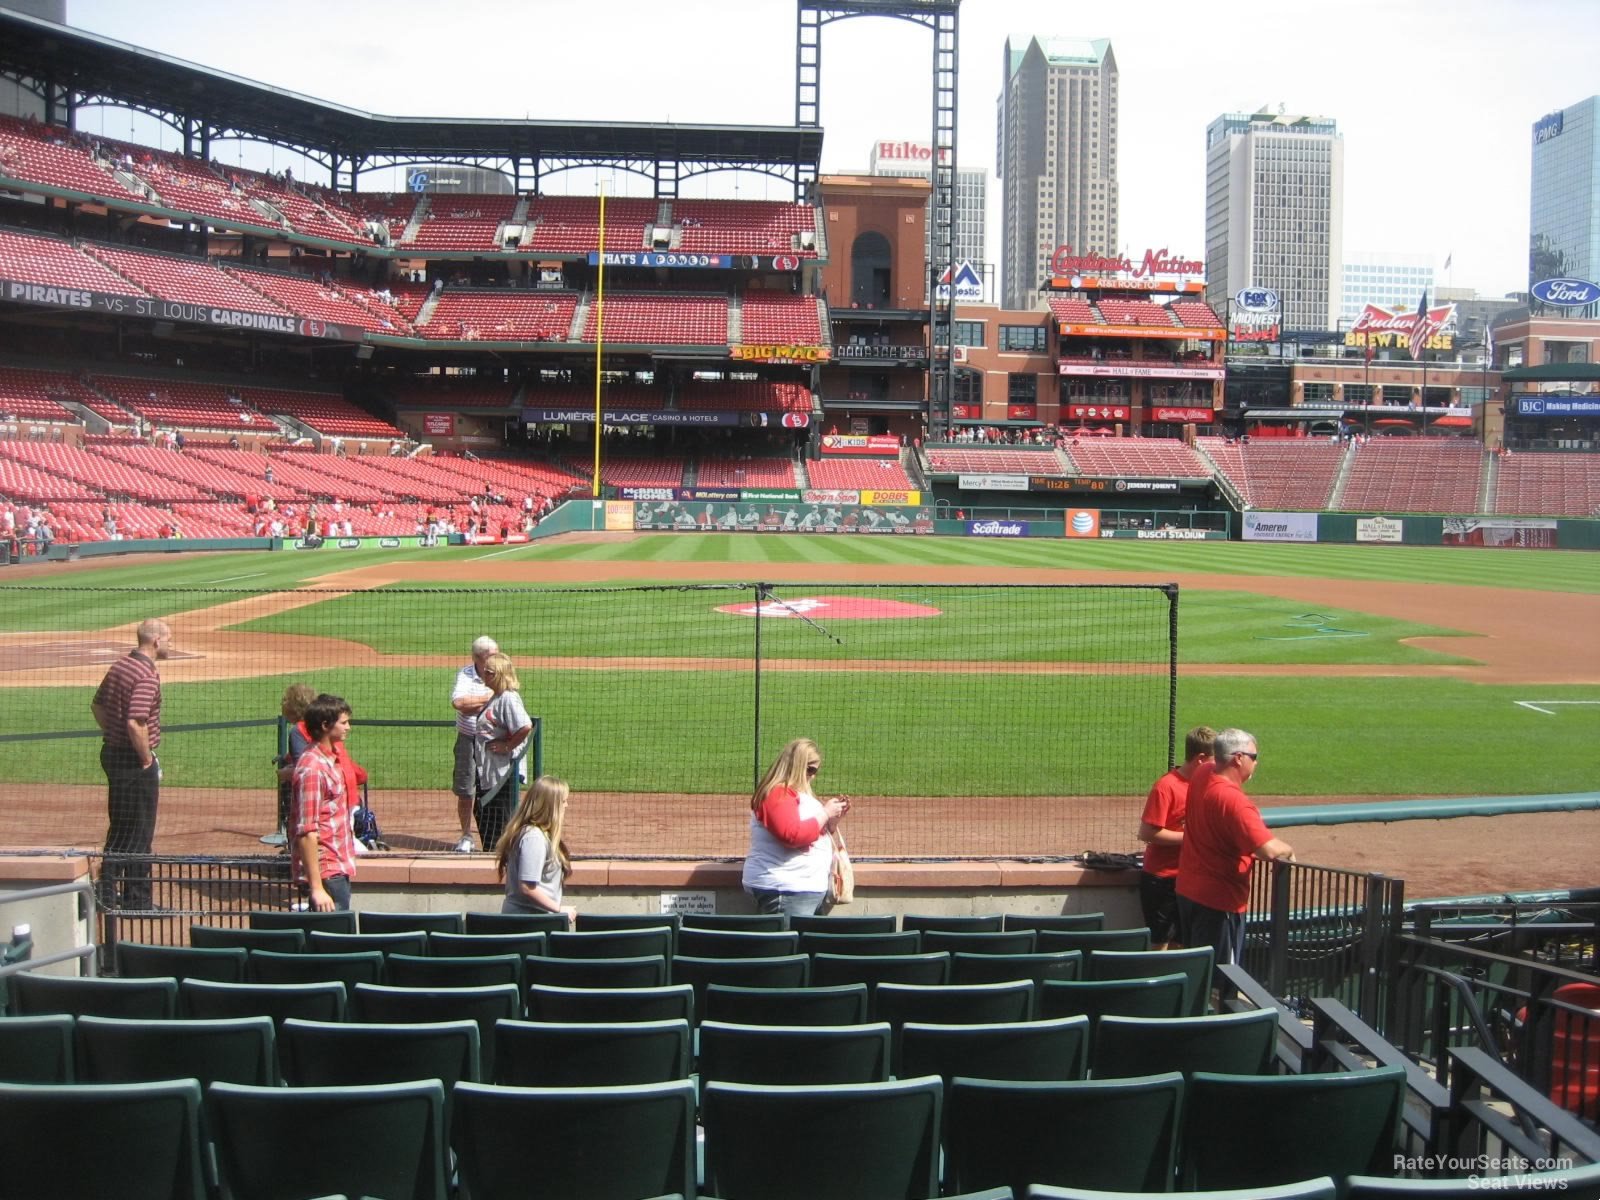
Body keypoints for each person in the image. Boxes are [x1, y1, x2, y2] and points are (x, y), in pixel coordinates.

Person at [1176, 728, 1295, 977]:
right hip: (1219, 902)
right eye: (1254, 756)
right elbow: (1267, 849)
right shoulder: (1234, 801)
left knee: (1195, 971)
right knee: (1221, 982)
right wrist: (1287, 848)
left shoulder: (1201, 773)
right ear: (1238, 758)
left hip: (1188, 890)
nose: (1256, 762)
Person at [90, 619, 172, 910]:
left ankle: (107, 894)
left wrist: (111, 732)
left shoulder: (120, 666)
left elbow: (97, 705)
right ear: (157, 642)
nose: (169, 645)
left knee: (121, 826)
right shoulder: (147, 674)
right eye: (168, 640)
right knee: (140, 831)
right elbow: (137, 722)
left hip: (112, 753)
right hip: (133, 760)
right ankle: (137, 900)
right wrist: (147, 760)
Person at [742, 738, 849, 918]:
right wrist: (824, 812)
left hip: (801, 888)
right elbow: (791, 835)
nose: (813, 776)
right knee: (786, 945)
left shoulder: (794, 794)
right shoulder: (777, 794)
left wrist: (831, 821)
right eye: (811, 770)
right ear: (798, 766)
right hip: (785, 889)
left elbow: (810, 832)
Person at [1136, 725, 1215, 949]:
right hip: (1162, 879)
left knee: (1183, 943)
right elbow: (1148, 833)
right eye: (1214, 760)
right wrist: (1192, 838)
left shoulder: (1209, 785)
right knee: (1160, 944)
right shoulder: (1166, 787)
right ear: (1200, 759)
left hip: (1191, 877)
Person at [291, 694, 356, 912]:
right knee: (332, 941)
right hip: (326, 872)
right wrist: (317, 888)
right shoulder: (313, 768)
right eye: (344, 722)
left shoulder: (331, 758)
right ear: (325, 725)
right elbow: (307, 832)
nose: (349, 727)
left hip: (336, 866)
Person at [496, 774, 576, 925]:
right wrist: (559, 910)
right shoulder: (534, 838)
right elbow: (527, 887)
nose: (566, 806)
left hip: (534, 920)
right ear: (551, 806)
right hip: (526, 923)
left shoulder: (537, 835)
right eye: (564, 801)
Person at [473, 652, 533, 853]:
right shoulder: (497, 697)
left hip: (503, 772)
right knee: (483, 813)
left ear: (498, 675)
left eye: (488, 672)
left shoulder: (508, 698)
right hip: (491, 771)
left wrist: (507, 746)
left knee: (498, 821)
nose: (484, 675)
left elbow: (525, 726)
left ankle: (500, 861)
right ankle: (493, 857)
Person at [450, 636, 498, 852]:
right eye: (492, 656)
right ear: (479, 658)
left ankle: (498, 835)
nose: (498, 658)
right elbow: (458, 703)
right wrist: (488, 699)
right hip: (468, 740)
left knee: (497, 787)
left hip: (494, 742)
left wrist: (473, 704)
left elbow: (506, 700)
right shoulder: (465, 674)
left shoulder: (501, 671)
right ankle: (466, 836)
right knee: (466, 789)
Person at [265, 683, 317, 848]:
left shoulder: (297, 731)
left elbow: (303, 769)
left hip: (307, 795)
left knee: (301, 831)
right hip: (329, 792)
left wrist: (284, 773)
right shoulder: (319, 725)